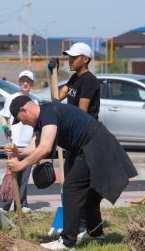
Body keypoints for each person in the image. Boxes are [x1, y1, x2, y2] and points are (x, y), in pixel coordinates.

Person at [5, 96, 137, 250]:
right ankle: (95, 233)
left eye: (21, 119)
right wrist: (18, 151)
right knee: (89, 193)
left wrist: (20, 165)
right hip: (91, 145)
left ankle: (67, 242)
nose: (23, 123)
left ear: (24, 110)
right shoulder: (44, 117)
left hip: (96, 143)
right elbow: (37, 146)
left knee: (71, 187)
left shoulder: (47, 112)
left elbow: (45, 148)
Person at [48, 42, 100, 233]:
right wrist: (52, 73)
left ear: (85, 59)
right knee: (70, 180)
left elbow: (81, 114)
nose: (70, 60)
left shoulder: (89, 81)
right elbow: (56, 98)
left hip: (85, 139)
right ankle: (77, 222)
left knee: (78, 184)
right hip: (73, 138)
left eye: (74, 57)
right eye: (69, 57)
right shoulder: (74, 79)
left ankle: (85, 225)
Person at [0, 70, 37, 213]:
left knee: (25, 176)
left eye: (28, 81)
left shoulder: (34, 102)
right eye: (22, 81)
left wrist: (34, 141)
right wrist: (5, 128)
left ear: (32, 83)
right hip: (14, 143)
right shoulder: (11, 99)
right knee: (11, 175)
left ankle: (22, 204)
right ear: (19, 83)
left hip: (28, 145)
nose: (25, 83)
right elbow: (4, 117)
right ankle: (3, 204)